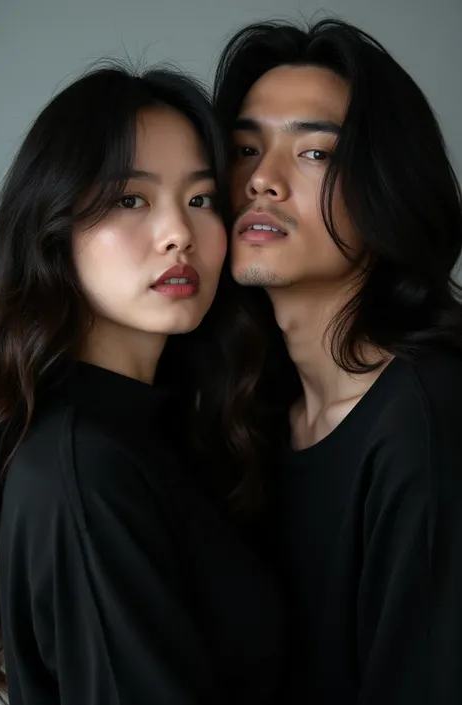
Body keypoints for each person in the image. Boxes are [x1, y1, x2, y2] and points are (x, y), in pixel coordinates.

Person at [0, 64, 288, 705]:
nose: (180, 232)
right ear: (55, 226)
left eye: (202, 199)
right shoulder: (84, 469)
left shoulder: (170, 430)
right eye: (131, 199)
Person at [213, 17, 462, 704]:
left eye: (314, 154)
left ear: (387, 188)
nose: (262, 180)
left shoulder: (423, 417)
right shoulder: (258, 410)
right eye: (242, 149)